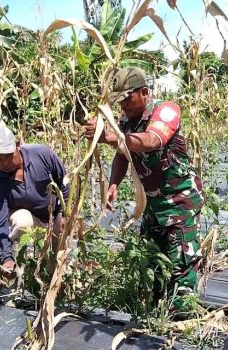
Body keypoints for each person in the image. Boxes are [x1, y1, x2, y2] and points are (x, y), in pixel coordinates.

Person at [83, 67, 204, 309]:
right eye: (119, 102)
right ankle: (153, 312)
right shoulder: (126, 120)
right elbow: (123, 154)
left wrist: (109, 136)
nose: (123, 106)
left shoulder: (166, 111)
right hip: (152, 205)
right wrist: (113, 183)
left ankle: (182, 319)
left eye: (127, 99)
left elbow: (151, 141)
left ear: (145, 92)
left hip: (180, 204)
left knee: (181, 263)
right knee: (150, 263)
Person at [0, 125, 70, 273]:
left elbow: (65, 182)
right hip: (29, 221)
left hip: (54, 217)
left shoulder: (42, 155)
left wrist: (66, 214)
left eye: (8, 156)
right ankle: (18, 272)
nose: (4, 163)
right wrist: (6, 258)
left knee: (57, 266)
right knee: (22, 220)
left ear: (17, 145)